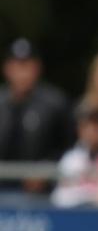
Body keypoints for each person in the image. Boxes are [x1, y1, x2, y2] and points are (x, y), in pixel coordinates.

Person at [0, 38, 73, 193]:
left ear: (37, 68)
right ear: (7, 68)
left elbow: (70, 149)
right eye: (17, 65)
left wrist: (46, 170)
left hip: (42, 193)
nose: (22, 72)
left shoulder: (55, 103)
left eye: (27, 65)